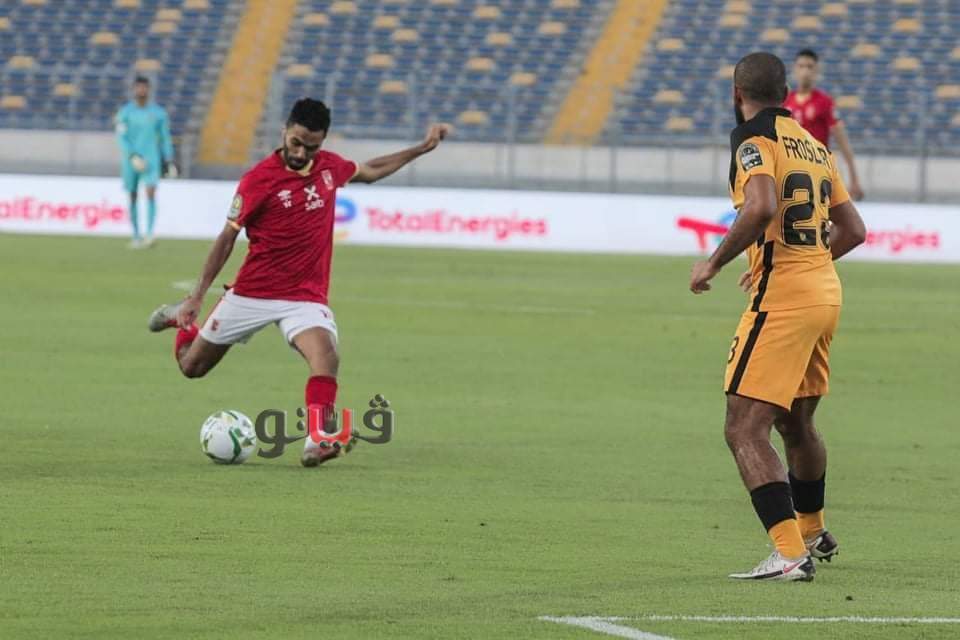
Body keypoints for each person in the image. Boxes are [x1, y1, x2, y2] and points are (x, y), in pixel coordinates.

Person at [147, 98, 450, 467]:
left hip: (304, 297)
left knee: (326, 355)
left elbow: (371, 169)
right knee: (191, 367)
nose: (301, 152)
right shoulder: (258, 180)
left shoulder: (330, 168)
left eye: (311, 146)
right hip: (253, 292)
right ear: (284, 132)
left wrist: (422, 148)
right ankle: (182, 321)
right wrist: (196, 297)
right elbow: (226, 238)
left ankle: (318, 439)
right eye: (295, 142)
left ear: (322, 142)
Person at [689, 52, 866, 581]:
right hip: (824, 292)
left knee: (744, 428)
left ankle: (789, 554)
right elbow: (854, 230)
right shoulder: (812, 144)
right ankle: (812, 529)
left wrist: (714, 262)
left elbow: (762, 204)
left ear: (736, 93)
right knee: (796, 422)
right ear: (787, 94)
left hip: (783, 299)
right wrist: (809, 262)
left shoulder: (752, 139)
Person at [784, 49, 864, 200]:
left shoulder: (824, 102)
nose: (805, 71)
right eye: (801, 66)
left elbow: (842, 139)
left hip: (818, 170)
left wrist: (854, 178)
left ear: (816, 71)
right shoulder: (786, 102)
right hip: (790, 171)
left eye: (810, 67)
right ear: (794, 69)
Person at [115, 76, 177, 248]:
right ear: (134, 90)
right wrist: (132, 155)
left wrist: (168, 159)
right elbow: (121, 137)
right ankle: (136, 235)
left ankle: (149, 234)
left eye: (144, 88)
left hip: (151, 159)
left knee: (150, 192)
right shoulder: (125, 112)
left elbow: (164, 137)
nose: (141, 90)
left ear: (149, 90)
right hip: (131, 160)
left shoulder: (158, 113)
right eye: (138, 87)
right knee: (132, 195)